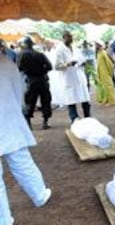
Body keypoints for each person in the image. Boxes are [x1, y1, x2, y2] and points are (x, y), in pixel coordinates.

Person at [0, 52, 51, 225]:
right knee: (22, 161)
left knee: (21, 161)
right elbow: (18, 92)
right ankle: (40, 195)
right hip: (9, 119)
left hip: (8, 119)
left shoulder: (8, 62)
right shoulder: (6, 62)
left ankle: (4, 219)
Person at [17, 36, 53, 129]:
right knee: (46, 101)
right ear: (32, 44)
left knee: (30, 102)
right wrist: (41, 70)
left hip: (31, 80)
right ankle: (45, 122)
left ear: (25, 45)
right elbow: (49, 66)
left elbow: (19, 68)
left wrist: (29, 70)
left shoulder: (21, 54)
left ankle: (29, 123)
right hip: (43, 80)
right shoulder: (40, 54)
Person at [55, 31, 91, 122]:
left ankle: (88, 117)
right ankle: (74, 120)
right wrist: (68, 64)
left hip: (79, 76)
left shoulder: (75, 48)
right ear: (64, 38)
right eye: (69, 37)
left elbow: (81, 59)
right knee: (71, 100)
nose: (71, 39)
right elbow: (57, 66)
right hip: (68, 78)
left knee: (85, 98)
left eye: (72, 37)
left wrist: (83, 62)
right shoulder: (59, 50)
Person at [95, 40, 115, 106]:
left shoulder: (103, 53)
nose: (95, 46)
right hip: (101, 73)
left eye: (96, 44)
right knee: (104, 87)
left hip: (106, 73)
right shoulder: (99, 53)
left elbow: (109, 63)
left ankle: (112, 101)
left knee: (109, 86)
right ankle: (107, 100)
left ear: (99, 45)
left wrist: (110, 72)